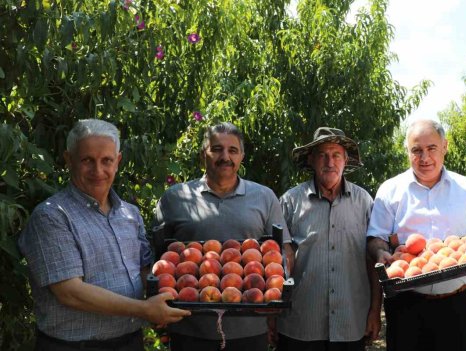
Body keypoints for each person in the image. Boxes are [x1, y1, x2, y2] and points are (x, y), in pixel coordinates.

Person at [18, 119, 190, 351]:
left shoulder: (130, 214)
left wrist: (192, 280)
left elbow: (144, 271)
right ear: (69, 160)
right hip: (73, 346)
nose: (98, 171)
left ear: (117, 161)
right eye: (87, 160)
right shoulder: (52, 217)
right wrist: (144, 309)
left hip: (130, 342)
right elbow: (70, 293)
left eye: (106, 160)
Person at [152, 122, 293, 351]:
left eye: (232, 150)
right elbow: (158, 256)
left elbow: (283, 251)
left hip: (249, 329)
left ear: (242, 156)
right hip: (189, 329)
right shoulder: (176, 198)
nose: (225, 156)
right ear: (202, 155)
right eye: (216, 149)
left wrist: (279, 291)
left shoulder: (264, 197)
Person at [366, 119, 466, 351]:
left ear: (444, 147)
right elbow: (376, 237)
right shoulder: (390, 190)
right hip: (406, 305)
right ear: (408, 152)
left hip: (456, 304)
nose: (425, 158)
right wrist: (381, 251)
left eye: (431, 148)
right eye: (417, 150)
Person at [273, 127, 382, 350]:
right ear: (312, 160)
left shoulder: (364, 203)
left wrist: (374, 311)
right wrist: (271, 315)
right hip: (300, 324)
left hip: (350, 322)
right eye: (322, 155)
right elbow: (275, 264)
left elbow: (372, 261)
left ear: (345, 160)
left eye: (336, 155)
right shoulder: (290, 203)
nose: (329, 162)